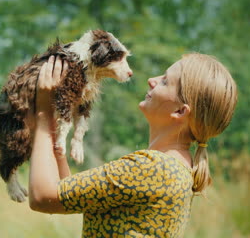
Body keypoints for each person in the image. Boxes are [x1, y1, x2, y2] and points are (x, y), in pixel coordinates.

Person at [28, 53, 238, 237]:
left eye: (165, 81)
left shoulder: (151, 167)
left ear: (180, 112)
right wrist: (57, 146)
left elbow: (42, 197)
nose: (151, 80)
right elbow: (69, 197)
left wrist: (43, 110)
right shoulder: (176, 168)